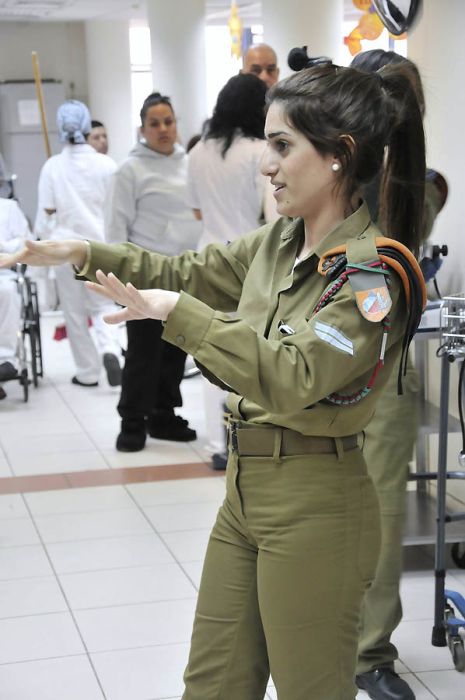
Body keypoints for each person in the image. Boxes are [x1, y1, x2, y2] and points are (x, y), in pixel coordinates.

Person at [0, 62, 426, 700]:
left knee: (311, 689)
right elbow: (183, 269)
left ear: (339, 156)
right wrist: (82, 252)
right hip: (246, 493)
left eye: (283, 146)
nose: (267, 164)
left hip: (316, 504)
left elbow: (294, 374)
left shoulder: (373, 277)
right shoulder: (280, 242)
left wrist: (180, 315)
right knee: (214, 685)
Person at [350, 49, 447, 700]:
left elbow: (374, 291)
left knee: (382, 517)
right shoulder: (327, 175)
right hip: (315, 363)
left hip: (382, 373)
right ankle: (323, 638)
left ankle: (369, 653)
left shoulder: (421, 188)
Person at [104, 92, 201, 452]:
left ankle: (163, 414)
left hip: (186, 271)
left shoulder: (189, 163)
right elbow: (115, 228)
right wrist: (118, 279)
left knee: (177, 348)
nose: (163, 129)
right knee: (144, 351)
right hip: (144, 275)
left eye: (169, 121)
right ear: (142, 129)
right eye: (155, 123)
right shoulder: (129, 170)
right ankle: (132, 420)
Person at [187, 72, 268, 462]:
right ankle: (242, 438)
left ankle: (215, 445)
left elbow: (197, 209)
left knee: (209, 351)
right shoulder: (259, 151)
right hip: (248, 260)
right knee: (247, 352)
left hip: (206, 258)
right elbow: (271, 213)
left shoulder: (197, 151)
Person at [35, 99, 122, 388]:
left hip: (64, 250)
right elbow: (116, 211)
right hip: (100, 248)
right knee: (102, 305)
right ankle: (110, 349)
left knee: (74, 312)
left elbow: (46, 214)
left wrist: (42, 243)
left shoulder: (52, 167)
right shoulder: (107, 165)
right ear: (86, 128)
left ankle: (87, 372)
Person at [0, 197, 31, 397]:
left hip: (3, 272)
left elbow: (26, 241)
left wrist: (3, 246)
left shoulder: (8, 208)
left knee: (7, 292)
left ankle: (5, 359)